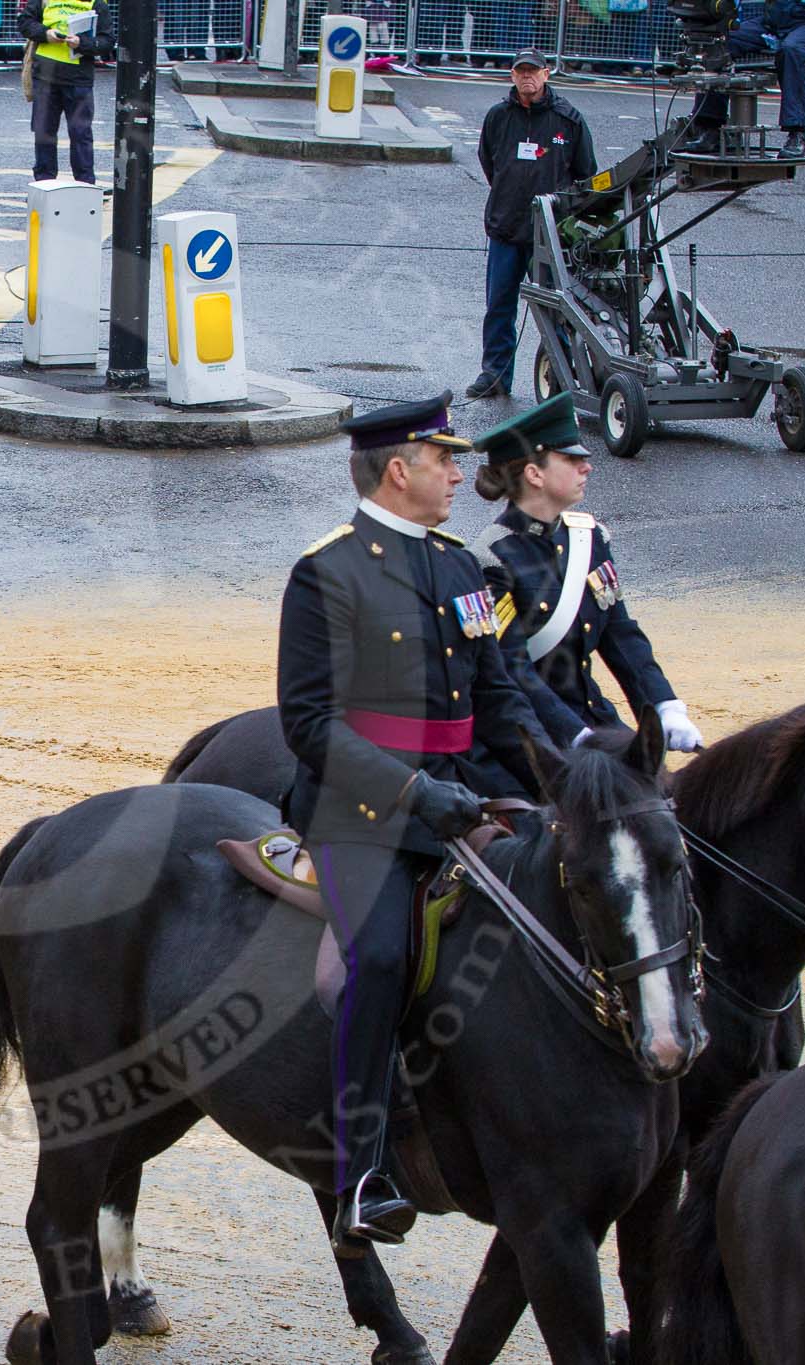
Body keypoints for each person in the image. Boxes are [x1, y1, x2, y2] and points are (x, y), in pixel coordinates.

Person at [277, 393, 552, 1251]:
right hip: (364, 815)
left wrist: (564, 778)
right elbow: (310, 724)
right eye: (446, 461)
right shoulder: (326, 571)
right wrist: (410, 792)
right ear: (401, 469)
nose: (460, 475)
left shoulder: (461, 566)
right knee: (386, 954)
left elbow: (499, 695)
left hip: (465, 791)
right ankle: (362, 1172)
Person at [467, 393, 705, 756]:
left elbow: (619, 633)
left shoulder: (589, 538)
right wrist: (576, 737)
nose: (587, 467)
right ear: (534, 474)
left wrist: (664, 706)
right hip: (534, 735)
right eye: (572, 459)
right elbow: (511, 669)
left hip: (594, 719)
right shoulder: (491, 558)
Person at [467, 50, 597, 401]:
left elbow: (586, 173)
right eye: (521, 71)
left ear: (546, 73)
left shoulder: (567, 119)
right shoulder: (498, 116)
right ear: (512, 75)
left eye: (534, 71)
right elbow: (489, 161)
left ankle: (562, 377)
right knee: (499, 305)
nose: (527, 77)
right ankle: (495, 376)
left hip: (551, 233)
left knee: (557, 307)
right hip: (507, 226)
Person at [682, 0, 805, 158]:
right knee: (719, 41)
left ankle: (797, 134)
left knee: (793, 50)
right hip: (775, 22)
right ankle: (711, 128)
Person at [17, 0, 116, 184]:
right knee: (44, 132)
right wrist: (46, 34)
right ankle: (44, 183)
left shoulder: (96, 3)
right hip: (45, 77)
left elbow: (107, 41)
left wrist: (81, 43)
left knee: (80, 134)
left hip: (78, 79)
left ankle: (85, 184)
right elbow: (25, 23)